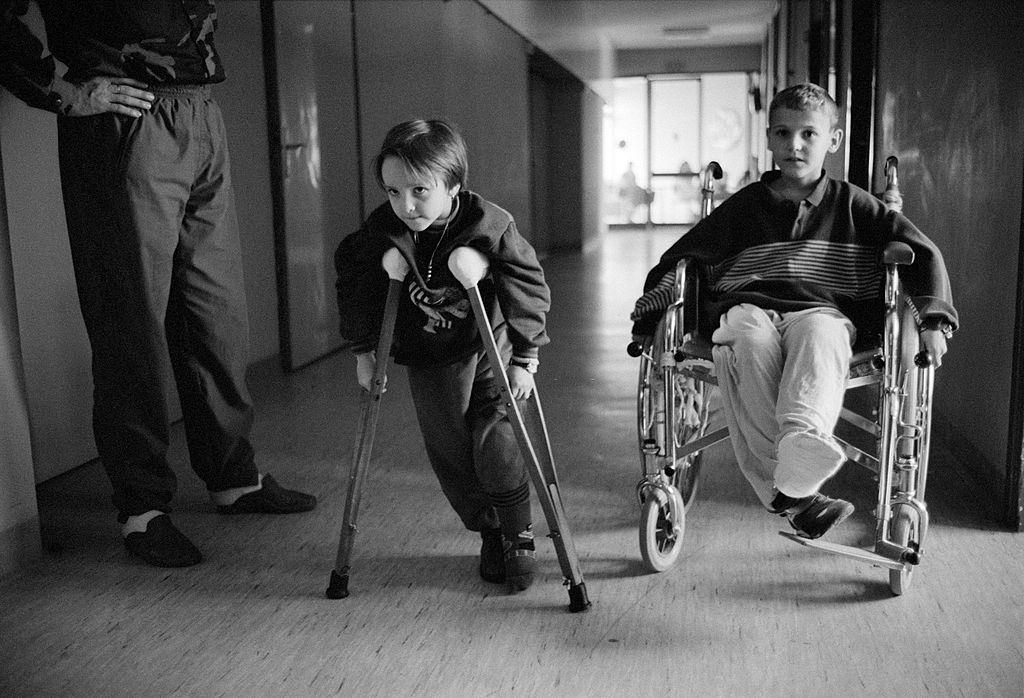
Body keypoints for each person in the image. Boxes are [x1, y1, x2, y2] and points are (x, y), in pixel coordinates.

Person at [0, 1, 316, 568]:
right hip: (126, 120)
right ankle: (142, 509)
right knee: (131, 321)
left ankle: (233, 479)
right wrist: (64, 91)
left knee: (217, 316)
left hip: (200, 114)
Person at [630, 83, 957, 540]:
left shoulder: (854, 204)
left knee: (822, 335)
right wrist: (650, 318)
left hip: (822, 309)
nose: (794, 145)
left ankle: (797, 453)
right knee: (744, 337)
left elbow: (920, 251)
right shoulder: (744, 205)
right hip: (750, 306)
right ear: (768, 138)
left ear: (833, 141)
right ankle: (797, 487)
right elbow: (683, 259)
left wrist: (933, 320)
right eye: (782, 133)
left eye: (808, 134)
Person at [335, 119, 551, 593]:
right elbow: (354, 280)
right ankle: (489, 529)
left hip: (490, 348)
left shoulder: (487, 223)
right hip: (430, 358)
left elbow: (528, 282)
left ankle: (518, 534)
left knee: (496, 438)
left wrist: (526, 355)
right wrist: (364, 352)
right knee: (451, 451)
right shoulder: (384, 228)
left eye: (419, 190)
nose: (405, 205)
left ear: (454, 184)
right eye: (392, 191)